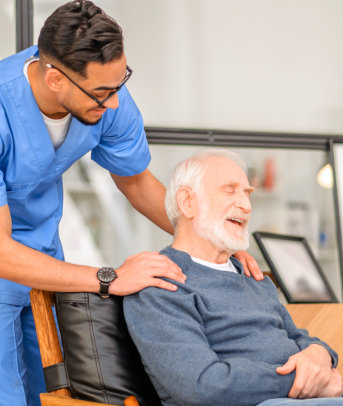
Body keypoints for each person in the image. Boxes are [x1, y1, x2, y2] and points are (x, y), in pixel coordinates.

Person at [0, 2, 263, 405]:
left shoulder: (104, 93)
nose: (115, 104)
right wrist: (108, 278)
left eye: (120, 85)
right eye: (103, 93)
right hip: (7, 257)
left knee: (53, 393)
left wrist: (212, 243)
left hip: (44, 263)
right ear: (55, 78)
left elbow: (137, 181)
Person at [124, 149, 343, 406]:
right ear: (187, 202)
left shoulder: (255, 279)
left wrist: (321, 355)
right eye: (230, 190)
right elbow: (202, 386)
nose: (247, 206)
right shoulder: (161, 283)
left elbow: (298, 337)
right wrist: (303, 381)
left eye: (247, 194)